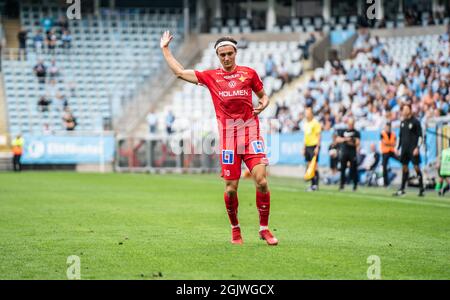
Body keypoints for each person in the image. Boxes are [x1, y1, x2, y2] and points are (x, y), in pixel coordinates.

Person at [160, 31, 277, 245]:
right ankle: (235, 229)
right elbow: (179, 72)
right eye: (222, 54)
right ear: (217, 55)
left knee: (261, 180)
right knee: (231, 189)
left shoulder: (249, 74)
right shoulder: (211, 77)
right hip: (229, 139)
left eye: (229, 53)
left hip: (251, 133)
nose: (226, 58)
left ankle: (264, 228)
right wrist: (165, 49)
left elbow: (263, 95)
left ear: (235, 53)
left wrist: (265, 102)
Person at [394, 104, 425, 197]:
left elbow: (420, 136)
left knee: (416, 167)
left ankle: (421, 188)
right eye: (403, 109)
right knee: (404, 167)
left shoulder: (415, 122)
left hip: (413, 149)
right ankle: (402, 189)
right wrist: (397, 147)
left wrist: (417, 147)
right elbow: (400, 136)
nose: (404, 111)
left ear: (410, 110)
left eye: (406, 109)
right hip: (404, 149)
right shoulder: (402, 122)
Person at [337, 118, 360, 191]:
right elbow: (338, 139)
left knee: (353, 169)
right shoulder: (343, 131)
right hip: (344, 153)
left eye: (352, 124)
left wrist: (349, 141)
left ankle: (355, 185)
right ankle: (342, 185)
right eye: (349, 124)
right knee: (342, 169)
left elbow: (357, 142)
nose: (350, 125)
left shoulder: (356, 132)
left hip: (352, 153)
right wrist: (346, 139)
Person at [302, 107, 321, 191]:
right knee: (310, 166)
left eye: (308, 113)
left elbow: (319, 136)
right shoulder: (306, 123)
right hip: (307, 146)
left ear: (311, 113)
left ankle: (315, 185)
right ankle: (312, 184)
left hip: (313, 146)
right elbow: (305, 137)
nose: (306, 114)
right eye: (306, 113)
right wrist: (303, 147)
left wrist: (317, 147)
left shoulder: (315, 123)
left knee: (314, 166)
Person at [380, 122, 397, 187]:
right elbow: (384, 142)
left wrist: (388, 144)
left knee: (401, 160)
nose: (387, 128)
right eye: (387, 127)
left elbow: (394, 143)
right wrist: (390, 144)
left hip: (391, 151)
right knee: (384, 167)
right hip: (385, 152)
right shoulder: (382, 134)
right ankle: (385, 183)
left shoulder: (393, 134)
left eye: (389, 127)